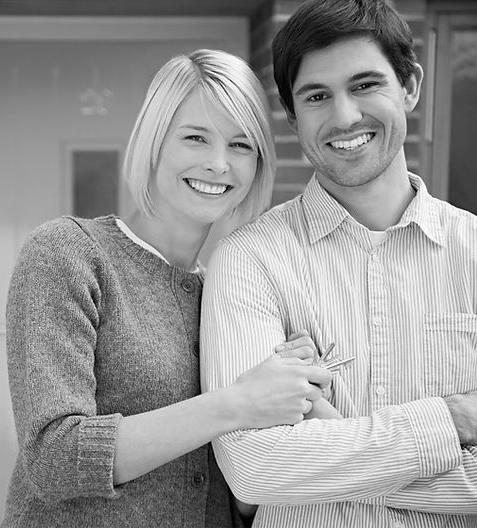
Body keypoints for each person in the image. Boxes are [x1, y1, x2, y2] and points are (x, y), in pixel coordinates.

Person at [1, 49, 332, 528]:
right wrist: (236, 403)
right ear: (154, 142)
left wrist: (290, 397)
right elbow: (53, 458)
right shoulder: (68, 253)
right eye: (196, 137)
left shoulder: (231, 294)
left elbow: (238, 496)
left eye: (241, 145)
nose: (219, 164)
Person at [200, 1, 477, 527]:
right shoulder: (249, 259)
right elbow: (254, 467)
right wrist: (455, 419)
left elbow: (285, 469)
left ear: (410, 87)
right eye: (317, 96)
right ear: (292, 114)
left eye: (366, 84)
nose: (345, 116)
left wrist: (328, 455)